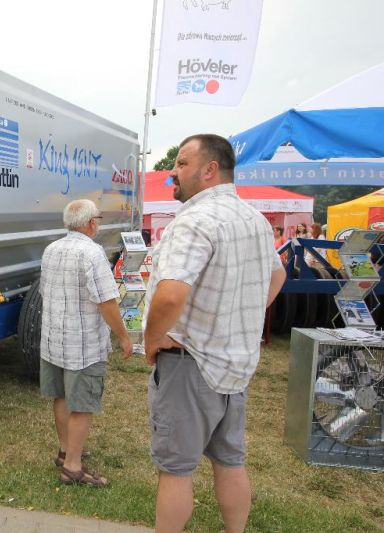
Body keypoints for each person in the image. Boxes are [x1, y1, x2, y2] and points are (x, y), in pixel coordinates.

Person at [142, 134, 285, 532]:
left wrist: (151, 338)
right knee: (231, 462)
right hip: (236, 364)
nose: (173, 170)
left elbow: (170, 295)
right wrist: (241, 314)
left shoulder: (193, 220)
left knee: (176, 470)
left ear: (209, 170)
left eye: (182, 163)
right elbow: (278, 275)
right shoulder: (254, 219)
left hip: (191, 363)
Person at [39, 199, 133, 488]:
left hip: (54, 340)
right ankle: (72, 467)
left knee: (61, 397)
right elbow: (106, 300)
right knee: (82, 405)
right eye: (99, 219)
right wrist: (124, 336)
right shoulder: (92, 253)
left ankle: (66, 451)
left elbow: (44, 291)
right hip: (83, 345)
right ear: (92, 222)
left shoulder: (50, 250)